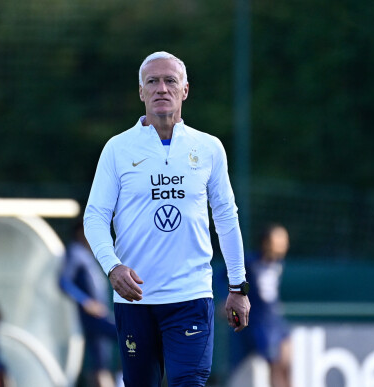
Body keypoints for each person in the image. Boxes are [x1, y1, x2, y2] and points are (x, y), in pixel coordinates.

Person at [83, 51, 250, 387]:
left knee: (188, 382)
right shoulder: (117, 149)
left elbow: (226, 218)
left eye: (170, 81)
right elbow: (95, 216)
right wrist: (112, 267)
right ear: (141, 92)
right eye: (152, 82)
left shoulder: (209, 148)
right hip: (136, 300)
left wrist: (237, 286)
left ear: (185, 90)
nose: (162, 88)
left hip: (191, 297)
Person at [59, 219, 118, 387]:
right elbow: (63, 282)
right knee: (127, 335)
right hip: (93, 318)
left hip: (100, 314)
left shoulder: (87, 254)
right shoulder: (75, 252)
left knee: (101, 363)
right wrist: (86, 302)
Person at [242, 223, 291, 387]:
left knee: (287, 364)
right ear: (266, 242)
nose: (284, 245)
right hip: (260, 322)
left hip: (277, 320)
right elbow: (223, 277)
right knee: (275, 365)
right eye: (279, 239)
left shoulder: (279, 264)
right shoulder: (250, 263)